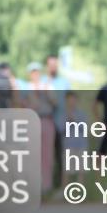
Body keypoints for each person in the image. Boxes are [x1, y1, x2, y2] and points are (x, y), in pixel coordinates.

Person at [21, 61, 57, 193]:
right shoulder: (26, 88)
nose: (35, 74)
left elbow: (55, 103)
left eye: (37, 72)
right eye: (33, 72)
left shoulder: (48, 86)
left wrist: (46, 93)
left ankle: (46, 185)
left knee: (47, 155)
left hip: (46, 119)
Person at [42, 54, 70, 189]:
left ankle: (62, 185)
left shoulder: (64, 82)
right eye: (51, 64)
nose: (53, 67)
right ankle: (46, 184)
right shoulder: (41, 82)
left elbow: (69, 102)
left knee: (62, 155)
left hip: (61, 123)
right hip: (45, 123)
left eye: (55, 64)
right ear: (47, 66)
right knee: (45, 156)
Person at [61, 91, 89, 186]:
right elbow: (60, 129)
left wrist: (75, 120)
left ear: (76, 100)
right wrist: (67, 121)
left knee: (81, 170)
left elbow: (85, 128)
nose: (71, 102)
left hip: (81, 145)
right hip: (68, 145)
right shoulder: (63, 115)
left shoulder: (82, 114)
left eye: (73, 99)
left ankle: (80, 191)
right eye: (69, 100)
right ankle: (65, 191)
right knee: (66, 170)